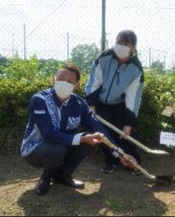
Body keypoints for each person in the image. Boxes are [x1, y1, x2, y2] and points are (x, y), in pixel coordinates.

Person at [20, 63, 136, 196]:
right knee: (58, 147)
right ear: (53, 79)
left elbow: (98, 128)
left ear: (77, 85)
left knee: (92, 138)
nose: (64, 83)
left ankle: (62, 176)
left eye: (70, 81)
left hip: (63, 145)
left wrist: (120, 153)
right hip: (35, 150)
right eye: (61, 78)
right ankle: (46, 178)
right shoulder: (39, 100)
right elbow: (49, 134)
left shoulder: (80, 104)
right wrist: (81, 139)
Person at [84, 29, 144, 174]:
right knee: (103, 133)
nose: (121, 46)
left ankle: (132, 161)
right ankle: (109, 160)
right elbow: (94, 81)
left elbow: (133, 97)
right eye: (118, 42)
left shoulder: (136, 69)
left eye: (126, 43)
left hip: (119, 104)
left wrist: (129, 122)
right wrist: (91, 104)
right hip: (99, 101)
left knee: (121, 133)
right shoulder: (104, 57)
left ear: (133, 48)